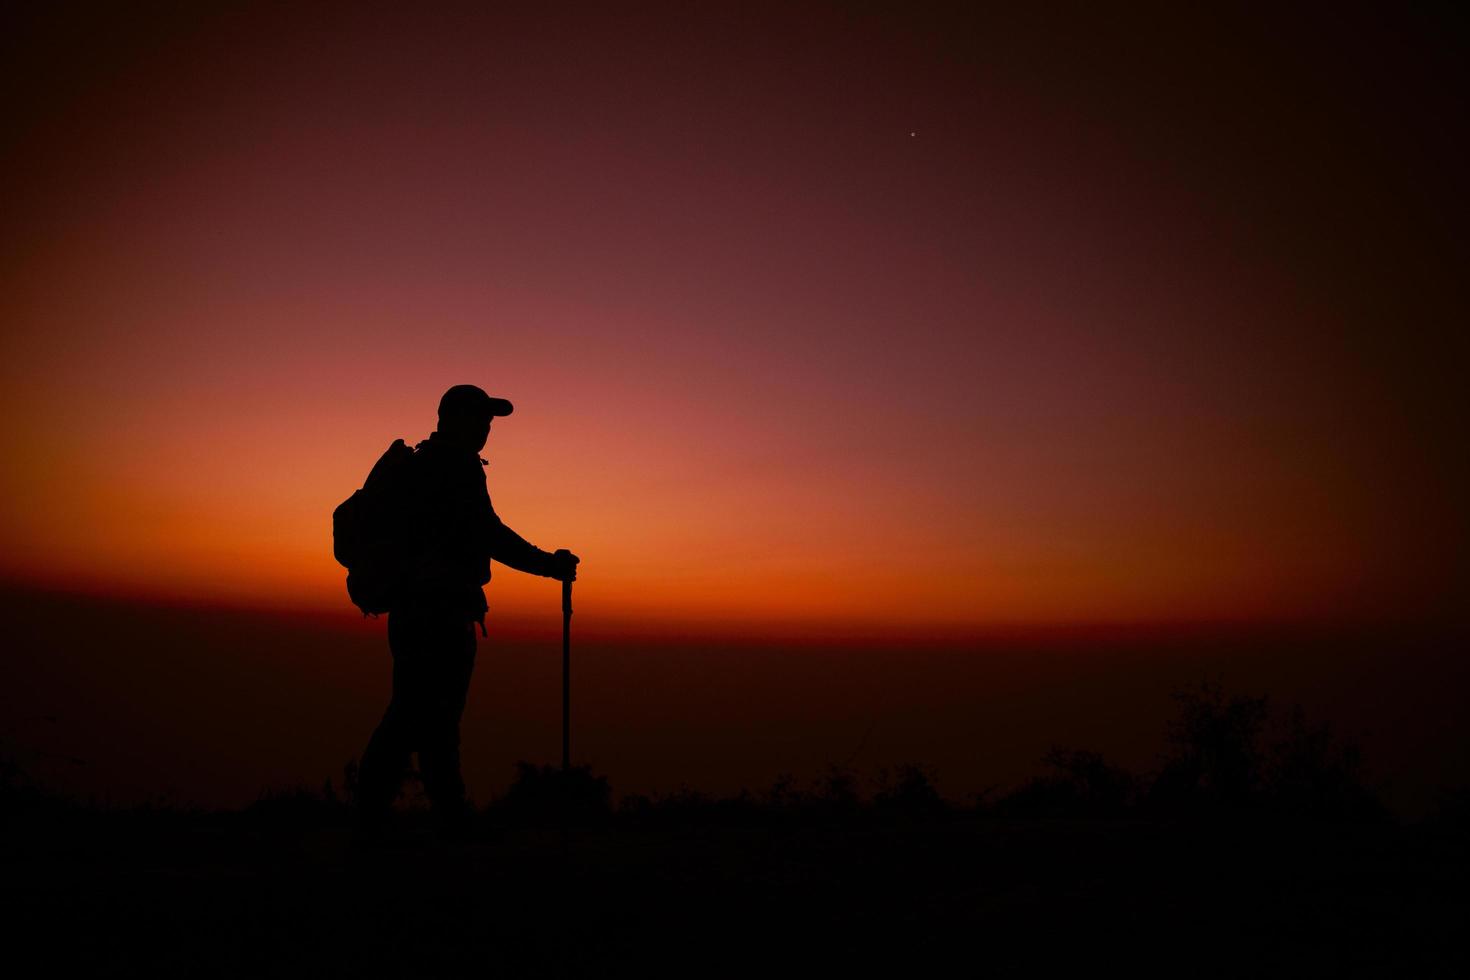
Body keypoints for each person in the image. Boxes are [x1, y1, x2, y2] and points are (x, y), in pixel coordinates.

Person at [357, 384, 579, 836]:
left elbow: (479, 533)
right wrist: (550, 566)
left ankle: (391, 817)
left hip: (412, 611)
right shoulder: (455, 468)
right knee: (429, 718)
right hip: (441, 614)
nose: (486, 429)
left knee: (413, 714)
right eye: (480, 419)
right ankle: (444, 820)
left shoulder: (424, 465)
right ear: (454, 419)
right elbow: (488, 535)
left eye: (489, 422)